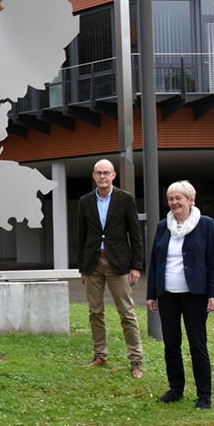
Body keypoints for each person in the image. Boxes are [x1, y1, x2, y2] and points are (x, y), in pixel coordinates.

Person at [147, 181, 214, 410]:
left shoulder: (206, 225)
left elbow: (213, 261)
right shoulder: (162, 226)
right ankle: (176, 390)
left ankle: (204, 395)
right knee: (171, 344)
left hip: (195, 295)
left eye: (179, 198)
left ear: (190, 199)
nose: (174, 203)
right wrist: (151, 294)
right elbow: (155, 261)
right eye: (170, 199)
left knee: (198, 345)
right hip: (167, 294)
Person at [76, 159, 145, 378]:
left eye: (107, 173)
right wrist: (83, 268)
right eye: (99, 173)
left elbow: (135, 235)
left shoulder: (125, 199)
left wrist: (136, 266)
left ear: (114, 175)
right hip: (93, 263)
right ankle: (99, 355)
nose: (103, 177)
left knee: (126, 312)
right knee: (95, 312)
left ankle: (136, 360)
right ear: (94, 176)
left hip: (119, 264)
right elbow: (81, 236)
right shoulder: (85, 201)